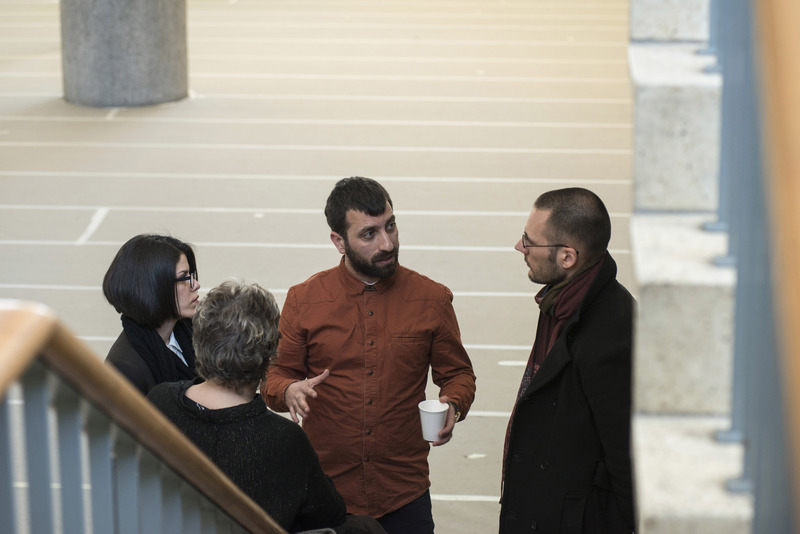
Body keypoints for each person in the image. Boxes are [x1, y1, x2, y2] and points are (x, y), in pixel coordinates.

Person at [262, 176, 477, 534]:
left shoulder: (432, 299)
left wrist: (452, 405)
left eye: (390, 226)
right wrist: (287, 391)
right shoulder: (304, 300)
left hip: (404, 494)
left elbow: (458, 374)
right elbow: (275, 376)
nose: (387, 243)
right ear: (339, 241)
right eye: (369, 234)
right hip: (325, 494)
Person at [148, 280, 384, 534]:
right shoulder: (283, 438)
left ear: (200, 340)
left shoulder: (160, 401)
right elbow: (330, 513)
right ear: (271, 354)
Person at [500, 188, 636, 533]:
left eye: (529, 241)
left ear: (567, 257)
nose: (519, 247)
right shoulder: (562, 300)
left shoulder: (610, 335)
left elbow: (626, 460)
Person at [103, 234, 200, 395]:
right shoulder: (125, 371)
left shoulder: (194, 331)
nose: (196, 285)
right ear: (153, 288)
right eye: (184, 277)